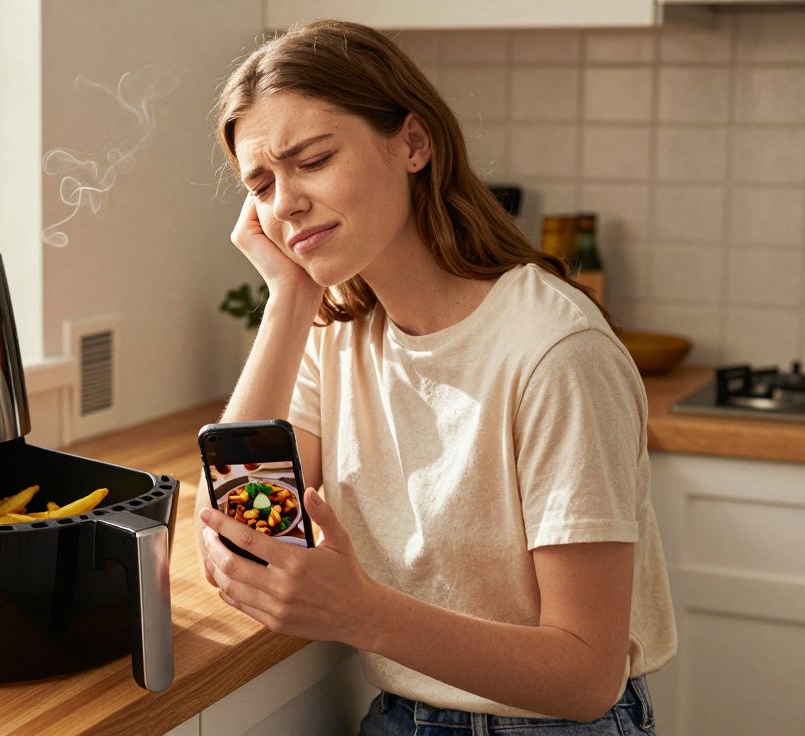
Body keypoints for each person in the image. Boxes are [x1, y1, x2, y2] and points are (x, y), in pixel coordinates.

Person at [195, 20, 675, 736]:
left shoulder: (555, 351)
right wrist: (290, 296)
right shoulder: (340, 335)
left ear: (414, 144)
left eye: (313, 160)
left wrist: (362, 611)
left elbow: (585, 677)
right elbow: (248, 521)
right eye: (261, 183)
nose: (284, 202)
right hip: (401, 717)